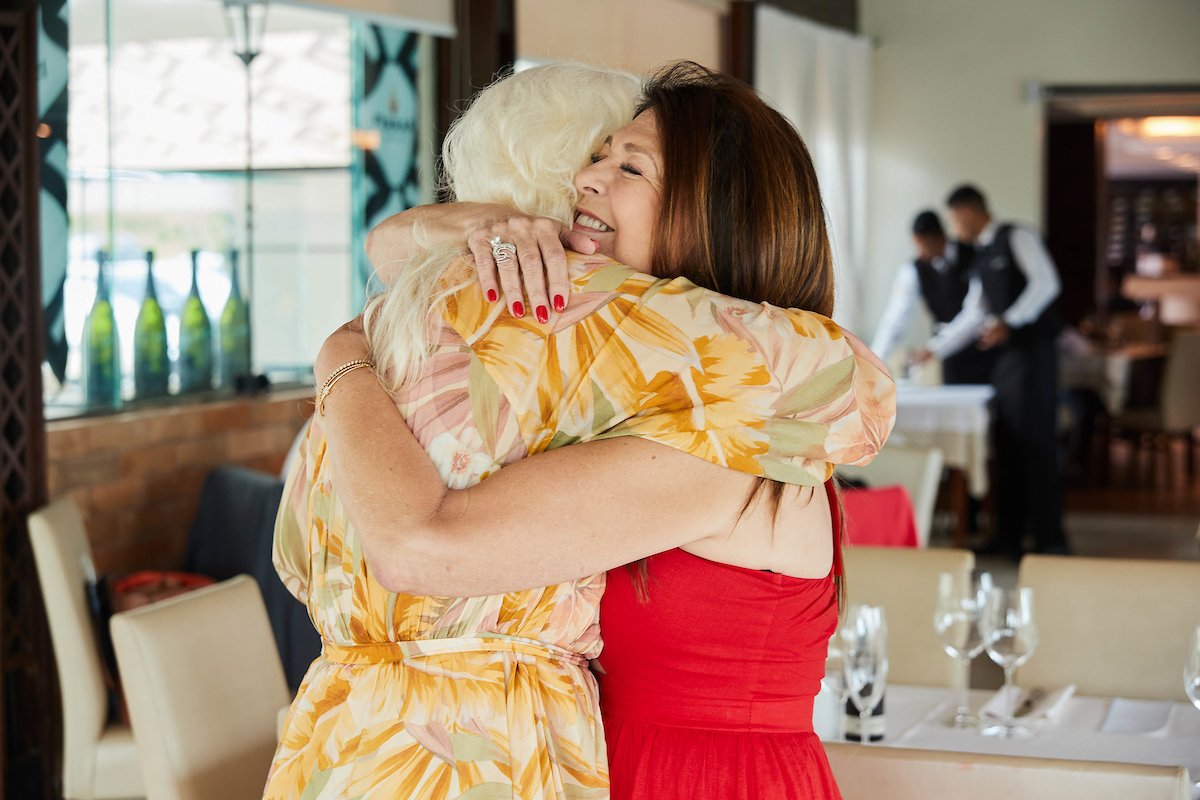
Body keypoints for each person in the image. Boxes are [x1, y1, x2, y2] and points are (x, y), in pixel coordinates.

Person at [271, 62, 893, 800]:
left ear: (717, 211)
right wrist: (479, 225)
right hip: (601, 763)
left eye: (630, 164)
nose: (587, 179)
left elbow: (422, 546)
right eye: (596, 156)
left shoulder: (740, 428)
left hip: (697, 781)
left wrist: (343, 353)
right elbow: (397, 255)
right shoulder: (642, 390)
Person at [915, 184, 1067, 558]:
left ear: (968, 211)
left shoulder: (1018, 236)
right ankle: (1008, 536)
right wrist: (934, 349)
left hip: (1034, 357)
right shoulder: (981, 254)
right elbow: (974, 312)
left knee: (1037, 445)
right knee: (1008, 446)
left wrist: (1010, 322)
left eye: (954, 219)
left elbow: (1046, 284)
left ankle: (1050, 539)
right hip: (1006, 363)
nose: (955, 228)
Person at [871, 210, 994, 384]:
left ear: (941, 238)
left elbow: (976, 312)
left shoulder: (974, 255)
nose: (921, 252)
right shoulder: (914, 269)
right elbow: (896, 318)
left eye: (925, 245)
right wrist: (874, 360)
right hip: (948, 353)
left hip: (982, 345)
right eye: (917, 245)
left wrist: (934, 348)